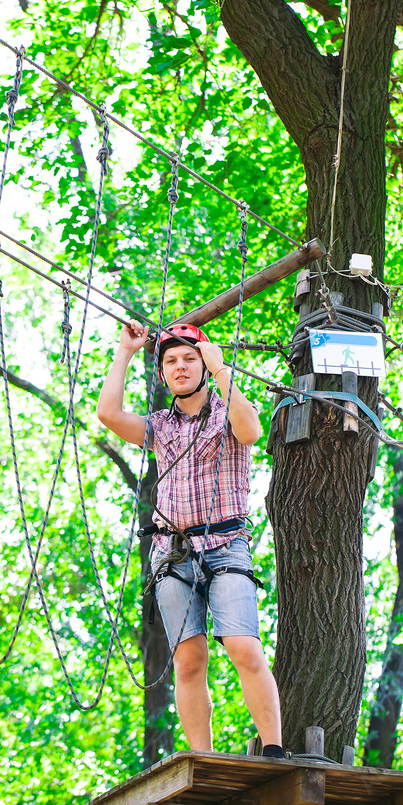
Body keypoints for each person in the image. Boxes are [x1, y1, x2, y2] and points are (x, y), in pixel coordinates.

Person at [97, 319, 285, 758]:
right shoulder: (159, 427)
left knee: (242, 645)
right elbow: (108, 414)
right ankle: (203, 757)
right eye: (170, 361)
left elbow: (252, 431)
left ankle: (274, 748)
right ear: (163, 373)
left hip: (225, 546)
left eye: (188, 359)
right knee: (188, 660)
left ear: (203, 364)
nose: (180, 367)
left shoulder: (227, 411)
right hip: (173, 553)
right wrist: (125, 353)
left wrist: (221, 369)